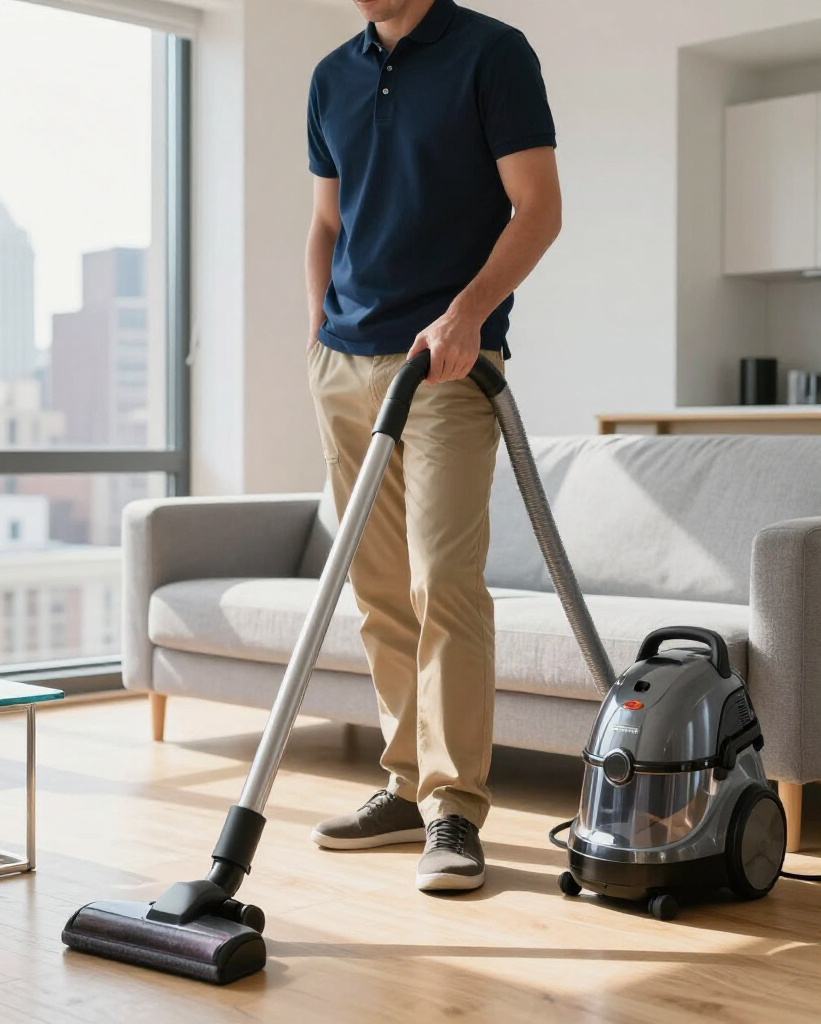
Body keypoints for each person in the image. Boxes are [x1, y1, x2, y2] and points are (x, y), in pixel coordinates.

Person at [304, 0, 562, 892]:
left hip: (449, 368)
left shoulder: (493, 53)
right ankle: (406, 786)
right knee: (376, 589)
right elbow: (328, 224)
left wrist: (467, 316)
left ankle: (456, 808)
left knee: (441, 581)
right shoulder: (332, 74)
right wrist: (318, 340)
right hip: (345, 368)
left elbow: (537, 208)